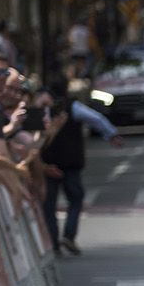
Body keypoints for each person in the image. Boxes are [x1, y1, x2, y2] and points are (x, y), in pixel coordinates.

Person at [39, 78, 122, 255]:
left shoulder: (41, 108)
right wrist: (112, 134)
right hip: (66, 164)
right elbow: (96, 119)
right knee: (74, 199)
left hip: (50, 164)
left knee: (50, 206)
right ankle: (68, 236)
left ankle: (55, 244)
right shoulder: (71, 106)